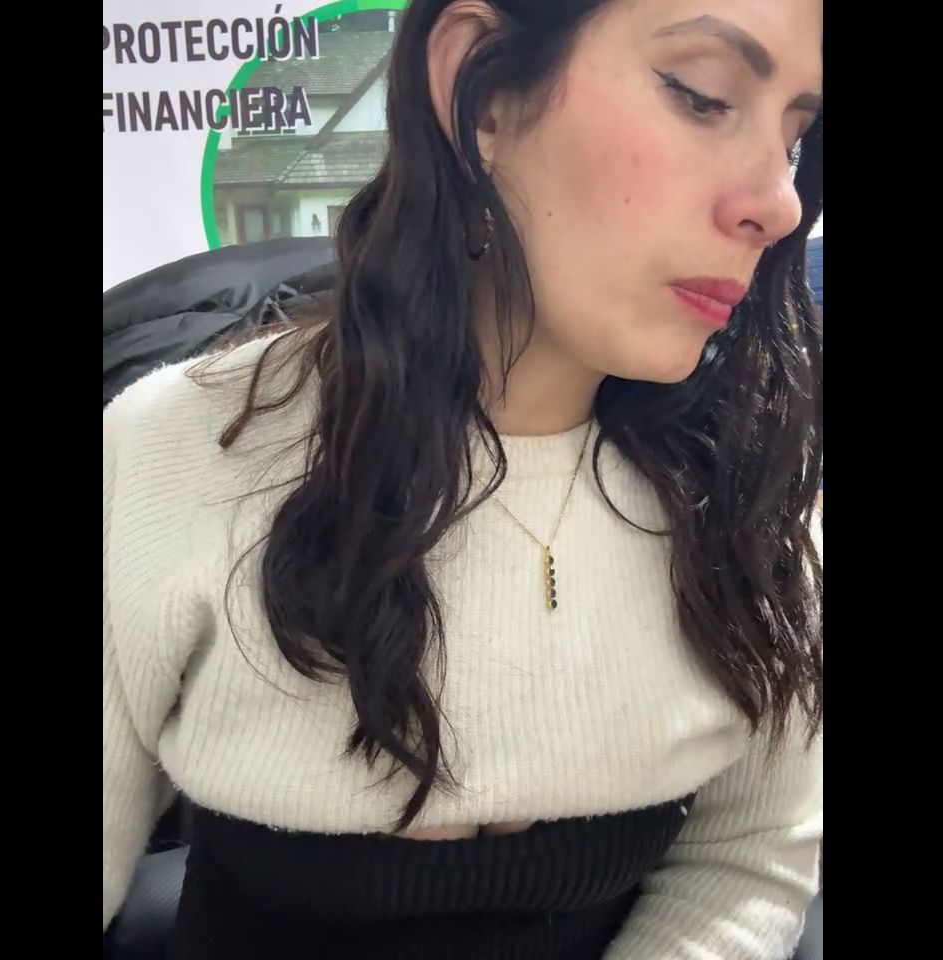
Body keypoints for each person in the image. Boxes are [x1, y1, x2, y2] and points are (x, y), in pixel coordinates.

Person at [103, 1, 823, 957]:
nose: (779, 203)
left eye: (796, 138)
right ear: (480, 91)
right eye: (703, 96)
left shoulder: (757, 481)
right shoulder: (181, 448)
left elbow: (749, 854)